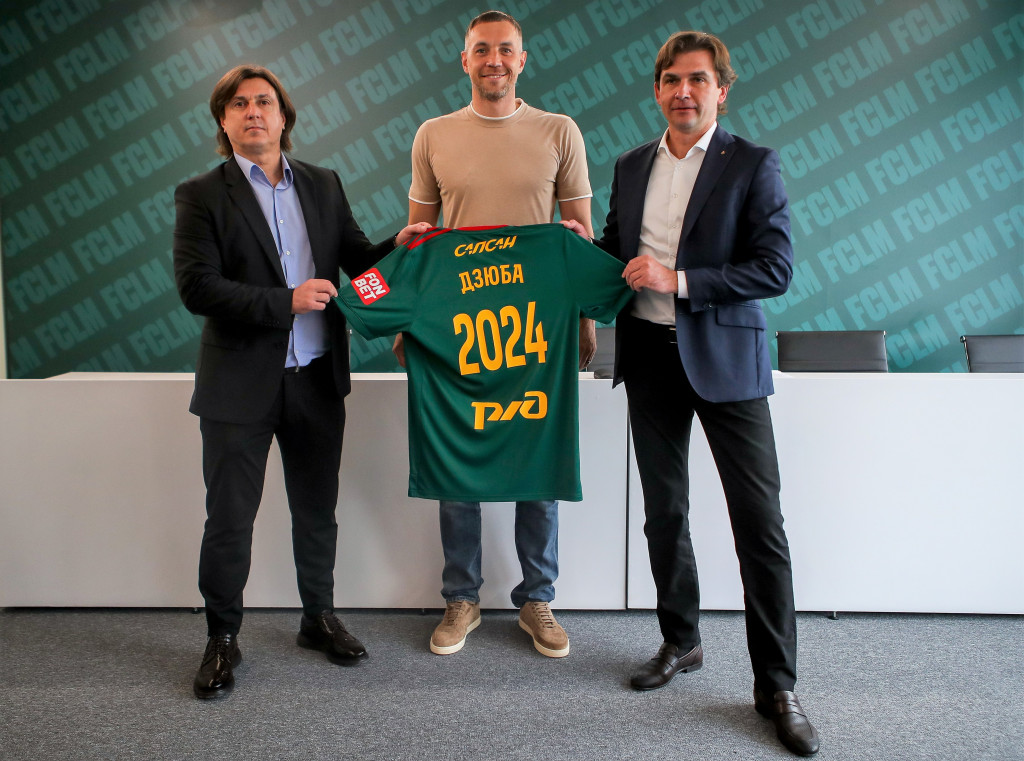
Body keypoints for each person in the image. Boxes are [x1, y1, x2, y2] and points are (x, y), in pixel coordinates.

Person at [580, 31, 819, 756]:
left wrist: (679, 281)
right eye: (671, 80)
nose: (683, 91)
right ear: (657, 89)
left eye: (697, 80)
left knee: (760, 523)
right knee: (664, 511)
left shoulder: (753, 163)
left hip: (725, 360)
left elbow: (774, 268)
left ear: (722, 90)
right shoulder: (630, 165)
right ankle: (680, 640)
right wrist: (578, 250)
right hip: (648, 358)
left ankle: (777, 684)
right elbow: (618, 254)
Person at [173, 64, 429, 700]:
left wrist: (400, 248)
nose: (253, 112)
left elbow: (359, 266)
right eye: (238, 104)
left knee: (317, 512)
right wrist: (285, 302)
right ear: (223, 120)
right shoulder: (201, 193)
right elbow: (197, 288)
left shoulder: (321, 183)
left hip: (316, 378)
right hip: (238, 387)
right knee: (230, 519)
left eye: (264, 101)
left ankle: (318, 618)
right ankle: (222, 637)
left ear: (283, 116)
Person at [397, 10, 596, 659]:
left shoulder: (559, 131)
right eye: (481, 49)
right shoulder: (433, 135)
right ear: (465, 60)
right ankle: (462, 597)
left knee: (540, 462)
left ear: (522, 58)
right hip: (455, 333)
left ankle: (538, 597)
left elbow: (581, 239)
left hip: (538, 333)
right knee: (457, 464)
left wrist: (585, 318)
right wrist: (404, 316)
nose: (494, 60)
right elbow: (418, 242)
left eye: (505, 49)